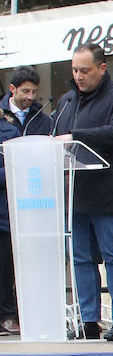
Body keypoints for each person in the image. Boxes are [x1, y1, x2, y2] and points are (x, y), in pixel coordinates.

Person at [52, 42, 113, 340]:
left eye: (85, 70)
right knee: (80, 258)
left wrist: (75, 136)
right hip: (74, 193)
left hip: (107, 191)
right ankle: (88, 319)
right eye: (75, 70)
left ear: (102, 68)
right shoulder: (65, 102)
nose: (78, 76)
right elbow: (54, 136)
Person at [0, 65, 54, 336]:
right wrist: (13, 171)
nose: (31, 96)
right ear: (12, 89)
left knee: (32, 259)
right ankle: (6, 313)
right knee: (4, 264)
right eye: (25, 91)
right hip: (3, 204)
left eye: (34, 91)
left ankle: (27, 311)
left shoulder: (42, 120)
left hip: (35, 205)